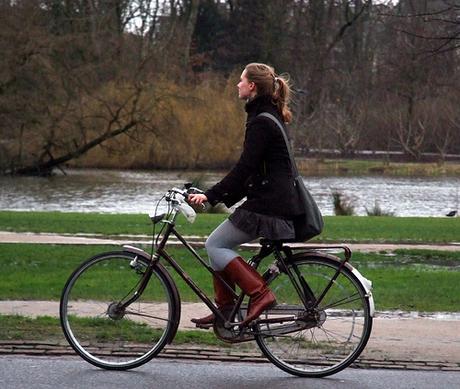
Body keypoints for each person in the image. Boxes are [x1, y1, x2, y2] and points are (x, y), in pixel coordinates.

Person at [188, 62, 302, 328]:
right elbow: (251, 173)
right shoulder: (267, 115)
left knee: (215, 245)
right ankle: (226, 311)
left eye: (241, 80)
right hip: (274, 200)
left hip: (269, 205)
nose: (237, 85)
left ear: (252, 86)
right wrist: (214, 196)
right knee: (218, 247)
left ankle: (260, 293)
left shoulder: (261, 121)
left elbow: (245, 168)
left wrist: (211, 195)